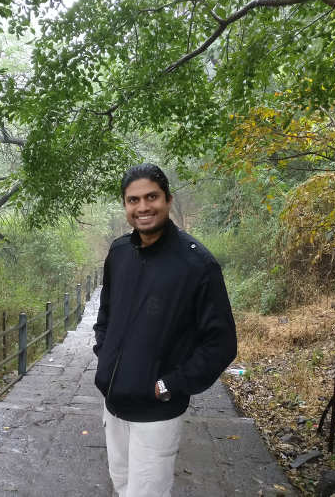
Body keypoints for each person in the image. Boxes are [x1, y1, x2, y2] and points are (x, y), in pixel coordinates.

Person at [93, 163, 237, 497]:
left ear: (168, 200)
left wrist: (168, 384)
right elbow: (106, 314)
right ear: (125, 206)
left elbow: (221, 343)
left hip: (157, 411)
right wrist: (105, 357)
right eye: (133, 200)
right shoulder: (119, 253)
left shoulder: (197, 264)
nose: (143, 207)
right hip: (113, 402)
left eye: (151, 197)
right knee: (122, 484)